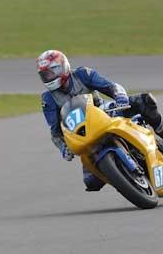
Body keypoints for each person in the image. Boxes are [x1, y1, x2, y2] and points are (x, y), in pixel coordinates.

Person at [37, 49, 163, 191]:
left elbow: (111, 86)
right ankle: (127, 178)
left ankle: (160, 129)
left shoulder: (82, 74)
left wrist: (119, 95)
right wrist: (63, 148)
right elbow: (55, 132)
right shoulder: (48, 99)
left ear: (63, 67)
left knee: (145, 101)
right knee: (91, 182)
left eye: (51, 72)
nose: (49, 77)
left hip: (105, 112)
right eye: (44, 75)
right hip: (83, 133)